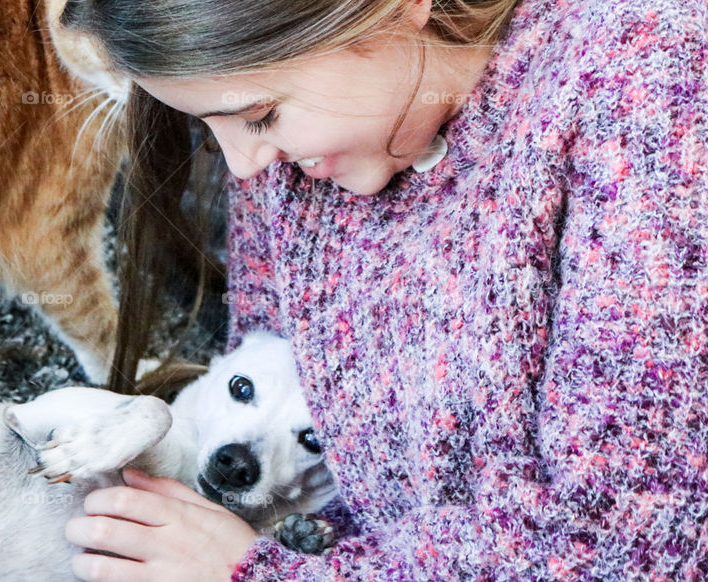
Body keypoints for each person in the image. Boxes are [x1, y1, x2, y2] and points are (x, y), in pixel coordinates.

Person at [62, 0, 708, 579]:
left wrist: (262, 573)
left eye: (261, 115)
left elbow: (632, 540)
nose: (242, 166)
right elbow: (277, 374)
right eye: (209, 128)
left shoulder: (652, 76)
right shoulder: (296, 160)